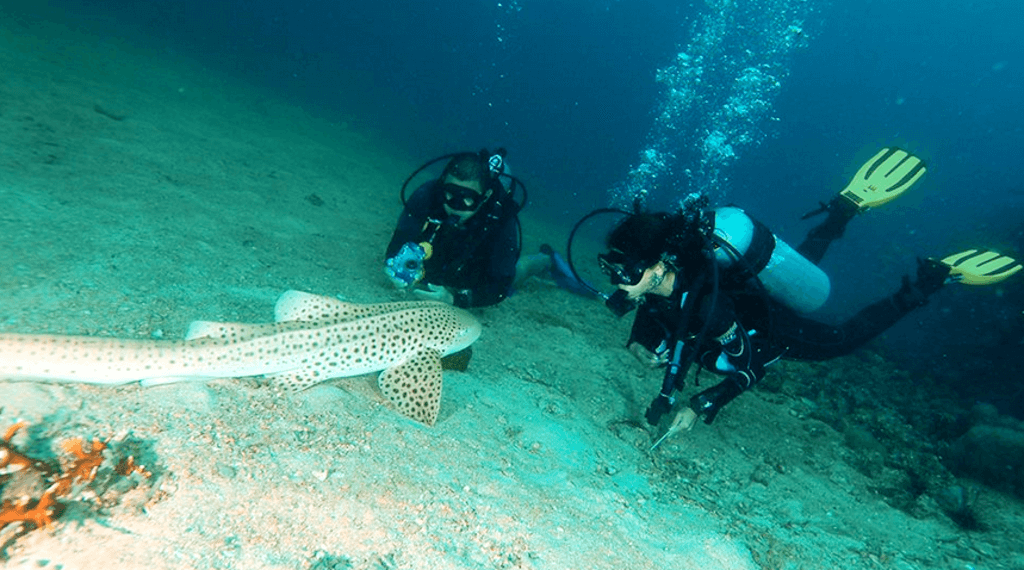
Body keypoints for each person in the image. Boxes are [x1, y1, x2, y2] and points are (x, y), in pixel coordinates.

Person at [591, 147, 1022, 442]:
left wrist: (704, 403)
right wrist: (648, 355)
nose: (617, 279)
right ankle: (843, 210)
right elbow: (667, 323)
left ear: (662, 264)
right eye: (612, 267)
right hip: (745, 293)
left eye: (626, 270)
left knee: (842, 341)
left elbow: (751, 368)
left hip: (765, 324)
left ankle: (928, 282)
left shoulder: (708, 304)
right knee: (796, 266)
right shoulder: (664, 280)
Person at [384, 149, 553, 308]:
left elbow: (500, 286)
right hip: (442, 251)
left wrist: (454, 299)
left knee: (519, 270)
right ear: (442, 186)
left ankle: (545, 259)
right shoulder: (427, 195)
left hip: (479, 265)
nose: (456, 206)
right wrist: (396, 267)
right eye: (450, 193)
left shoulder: (500, 217)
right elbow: (399, 241)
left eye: (468, 199)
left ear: (485, 197)